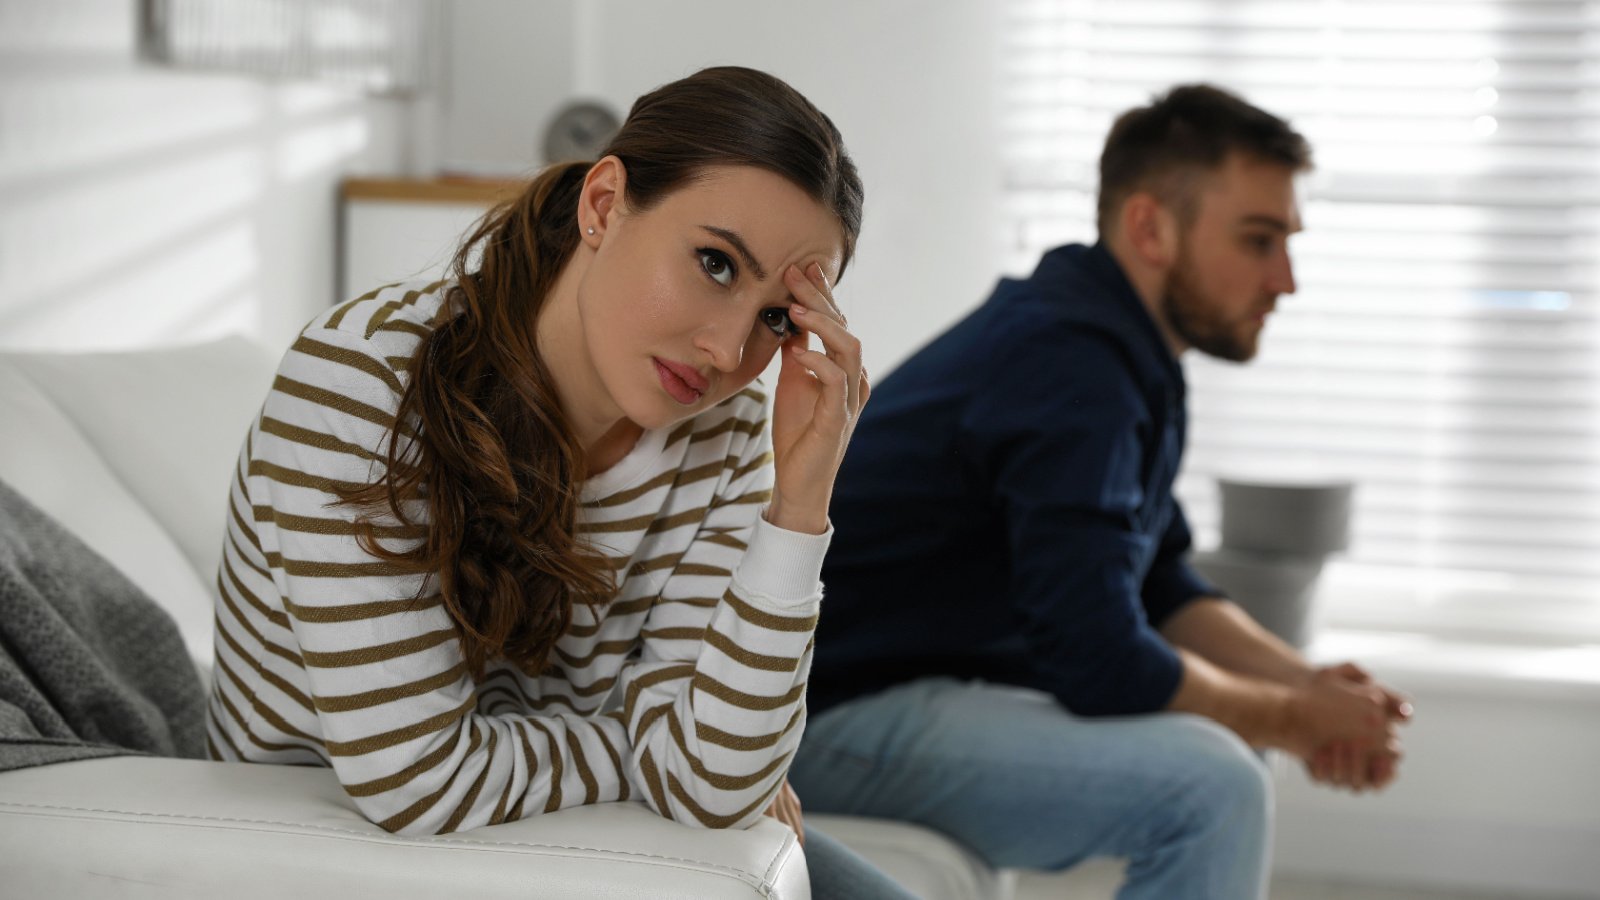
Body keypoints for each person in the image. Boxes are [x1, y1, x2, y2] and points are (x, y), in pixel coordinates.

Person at [205, 66, 912, 899]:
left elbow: (713, 784)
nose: (727, 352)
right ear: (604, 205)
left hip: (568, 830)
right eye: (715, 263)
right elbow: (419, 782)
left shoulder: (724, 434)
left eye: (774, 319)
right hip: (338, 855)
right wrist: (639, 745)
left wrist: (799, 509)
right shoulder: (360, 387)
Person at [787, 84, 1413, 899]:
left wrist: (1309, 685)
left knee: (1234, 749)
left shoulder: (1115, 350)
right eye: (1259, 241)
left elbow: (1163, 580)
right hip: (820, 716)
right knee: (1211, 786)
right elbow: (1099, 657)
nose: (1285, 280)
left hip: (901, 693)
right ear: (1150, 227)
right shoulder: (1069, 362)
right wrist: (1297, 721)